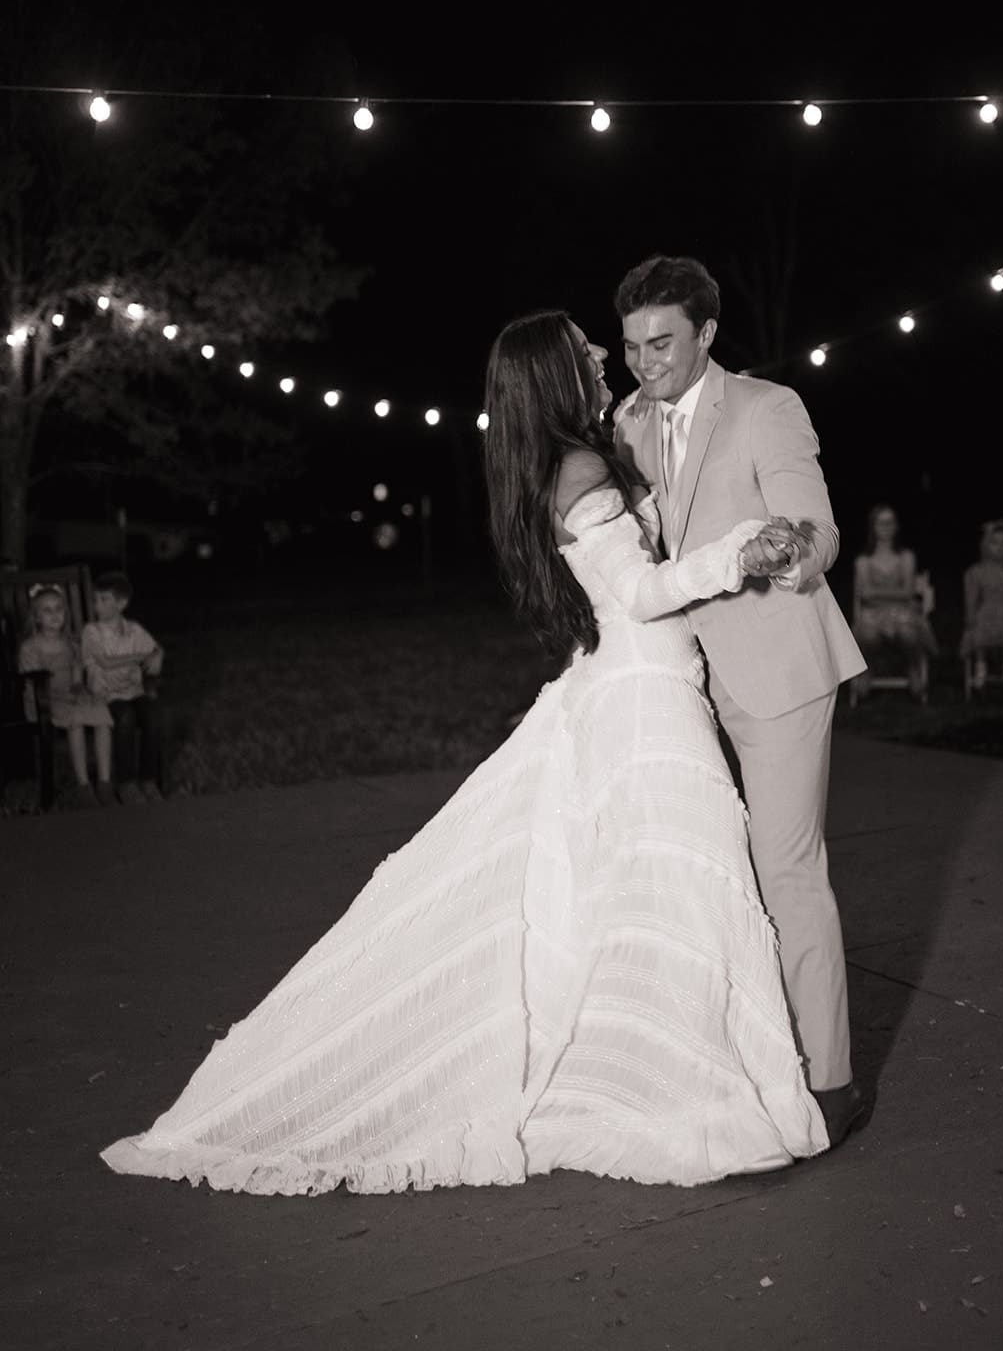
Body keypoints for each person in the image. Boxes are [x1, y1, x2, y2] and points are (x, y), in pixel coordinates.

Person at [102, 308, 830, 1196]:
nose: (603, 355)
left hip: (631, 686)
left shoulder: (563, 461)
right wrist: (735, 552)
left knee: (642, 894)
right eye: (584, 350)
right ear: (555, 375)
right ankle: (690, 1093)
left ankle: (663, 1071)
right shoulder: (580, 468)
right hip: (646, 701)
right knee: (676, 888)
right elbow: (638, 593)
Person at [613, 255, 869, 1148]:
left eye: (663, 344)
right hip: (677, 685)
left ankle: (829, 1081)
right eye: (633, 346)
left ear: (707, 335)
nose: (646, 363)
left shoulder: (768, 407)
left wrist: (788, 552)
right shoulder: (624, 425)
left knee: (786, 871)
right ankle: (740, 1061)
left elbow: (815, 524)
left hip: (777, 671)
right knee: (706, 878)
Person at [18, 583, 114, 808]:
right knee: (76, 720)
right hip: (43, 701)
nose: (54, 615)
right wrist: (64, 697)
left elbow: (77, 678)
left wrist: (80, 690)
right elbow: (31, 684)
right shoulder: (30, 647)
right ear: (36, 617)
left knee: (101, 711)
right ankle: (83, 786)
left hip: (69, 696)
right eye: (47, 610)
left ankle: (104, 782)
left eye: (59, 609)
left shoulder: (71, 644)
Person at [80, 571, 165, 805]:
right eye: (95, 600)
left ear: (121, 603)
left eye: (104, 600)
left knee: (152, 716)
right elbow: (106, 662)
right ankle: (126, 782)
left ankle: (149, 779)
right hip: (106, 694)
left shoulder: (134, 630)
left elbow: (155, 649)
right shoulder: (91, 632)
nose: (97, 605)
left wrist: (157, 655)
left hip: (133, 691)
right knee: (125, 717)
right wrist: (138, 656)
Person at [852, 504, 938, 698]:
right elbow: (865, 595)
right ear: (873, 527)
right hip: (873, 615)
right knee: (868, 634)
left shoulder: (906, 557)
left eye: (890, 522)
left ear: (896, 526)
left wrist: (877, 593)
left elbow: (907, 592)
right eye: (881, 523)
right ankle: (867, 669)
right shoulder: (864, 560)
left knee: (908, 631)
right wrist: (893, 593)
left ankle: (914, 666)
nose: (886, 527)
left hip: (902, 612)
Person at [961, 519, 1003, 689]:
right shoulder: (977, 572)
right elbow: (972, 599)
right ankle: (981, 666)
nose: (1000, 547)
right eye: (995, 543)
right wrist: (970, 619)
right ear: (985, 546)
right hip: (985, 613)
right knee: (981, 624)